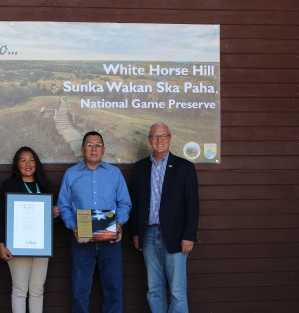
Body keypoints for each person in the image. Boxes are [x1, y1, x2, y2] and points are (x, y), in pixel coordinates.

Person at [57, 131, 132, 313]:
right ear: (82, 148)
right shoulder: (71, 174)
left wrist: (119, 223)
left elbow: (125, 203)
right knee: (80, 292)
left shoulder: (114, 173)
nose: (94, 149)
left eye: (98, 145)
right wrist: (73, 226)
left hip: (110, 242)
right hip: (82, 242)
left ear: (103, 150)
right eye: (90, 144)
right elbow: (64, 206)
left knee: (114, 290)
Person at [131, 122, 199, 313]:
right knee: (154, 290)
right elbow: (136, 203)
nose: (159, 140)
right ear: (149, 140)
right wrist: (136, 233)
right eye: (155, 136)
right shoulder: (141, 167)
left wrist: (189, 236)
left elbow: (192, 206)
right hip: (149, 235)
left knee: (177, 291)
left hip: (176, 236)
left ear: (169, 139)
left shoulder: (184, 167)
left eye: (163, 136)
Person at [0, 146, 60, 313]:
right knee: (19, 289)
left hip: (41, 246)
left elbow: (49, 220)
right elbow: (0, 217)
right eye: (23, 160)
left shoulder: (45, 186)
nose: (28, 164)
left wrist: (54, 215)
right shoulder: (9, 185)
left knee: (37, 290)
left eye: (31, 160)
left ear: (36, 163)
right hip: (17, 247)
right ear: (17, 164)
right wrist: (1, 245)